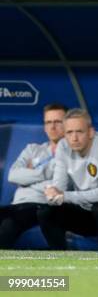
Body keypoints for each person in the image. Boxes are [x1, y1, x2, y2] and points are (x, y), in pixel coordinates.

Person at [37, 108, 98, 251]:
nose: (74, 138)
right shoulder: (63, 147)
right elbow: (60, 186)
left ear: (90, 132)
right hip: (87, 211)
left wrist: (65, 196)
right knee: (45, 212)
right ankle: (60, 259)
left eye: (79, 132)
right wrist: (53, 193)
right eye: (69, 133)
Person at [0, 103, 67, 249]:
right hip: (16, 205)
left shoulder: (71, 154)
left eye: (57, 122)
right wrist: (44, 173)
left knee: (7, 225)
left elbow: (60, 184)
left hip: (41, 206)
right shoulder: (32, 149)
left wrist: (29, 176)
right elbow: (13, 175)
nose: (52, 127)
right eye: (48, 122)